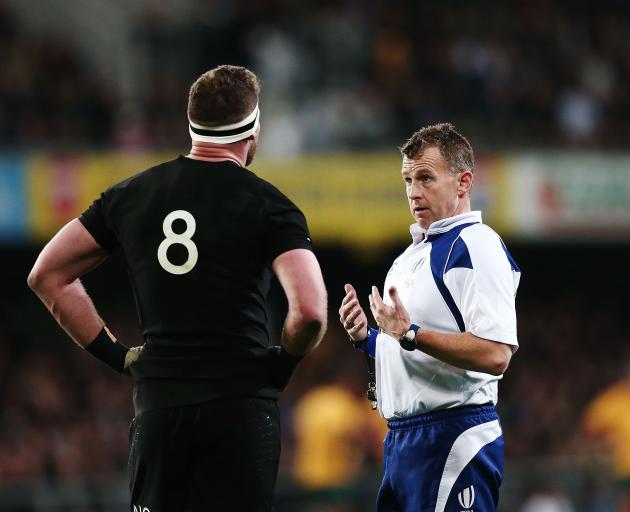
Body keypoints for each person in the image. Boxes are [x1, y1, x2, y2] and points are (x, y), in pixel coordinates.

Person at [27, 65, 328, 512]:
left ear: (192, 124)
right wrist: (282, 363)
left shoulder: (130, 194)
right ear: (253, 127)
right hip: (240, 409)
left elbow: (46, 276)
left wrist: (117, 355)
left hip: (161, 408)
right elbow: (310, 311)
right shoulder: (271, 205)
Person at [339, 123, 520, 512]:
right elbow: (408, 348)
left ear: (463, 182)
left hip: (452, 437)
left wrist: (411, 334)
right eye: (407, 179)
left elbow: (496, 354)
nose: (412, 191)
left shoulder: (476, 244)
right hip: (403, 441)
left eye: (425, 177)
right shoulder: (410, 256)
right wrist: (367, 339)